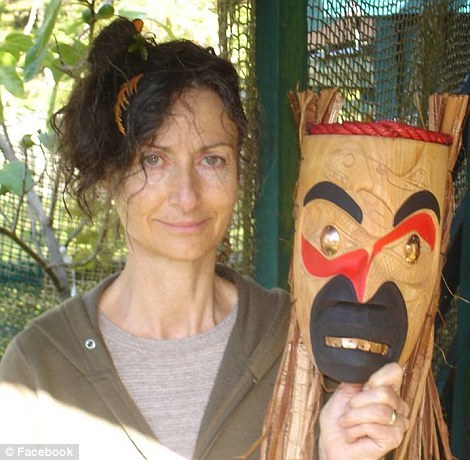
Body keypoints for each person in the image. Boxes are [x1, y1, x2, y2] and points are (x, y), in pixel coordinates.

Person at [0, 17, 409, 459]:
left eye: (211, 160)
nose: (186, 195)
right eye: (153, 159)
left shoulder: (303, 344)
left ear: (238, 170)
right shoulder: (38, 371)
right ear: (108, 173)